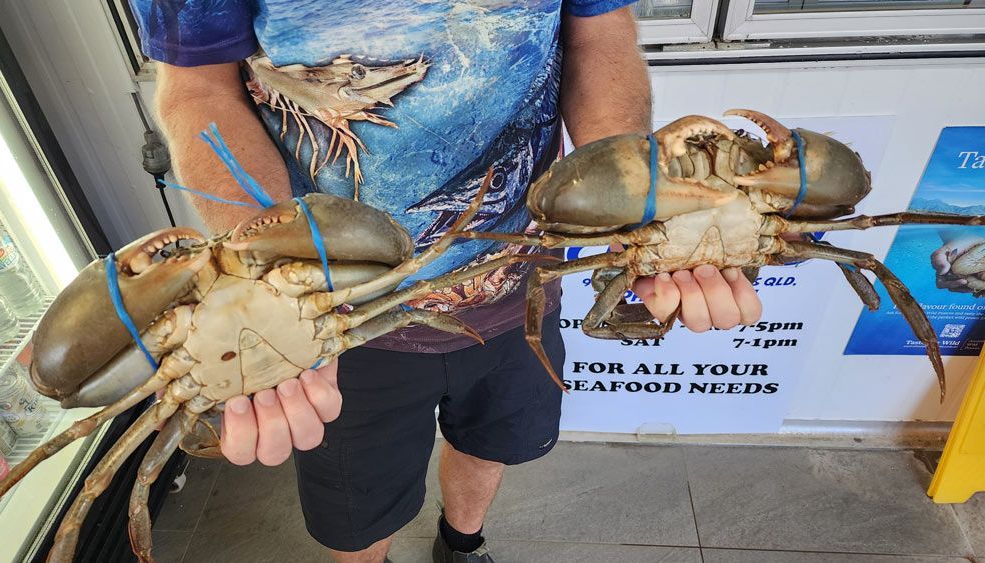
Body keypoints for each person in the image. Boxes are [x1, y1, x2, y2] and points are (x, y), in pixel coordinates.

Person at [131, 2, 763, 561]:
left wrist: (636, 209)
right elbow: (199, 89)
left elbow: (597, 35)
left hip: (523, 275)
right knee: (357, 508)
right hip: (335, 312)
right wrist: (260, 280)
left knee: (493, 440)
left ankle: (462, 543)